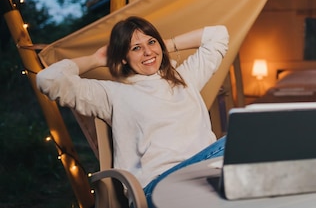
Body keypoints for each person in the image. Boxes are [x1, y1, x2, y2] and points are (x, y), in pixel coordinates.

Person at [36, 16, 229, 207]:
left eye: (151, 42)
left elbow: (218, 35)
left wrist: (161, 46)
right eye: (136, 48)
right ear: (123, 58)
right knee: (236, 142)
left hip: (206, 179)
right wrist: (95, 59)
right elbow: (49, 80)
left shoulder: (185, 78)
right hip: (159, 186)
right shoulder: (113, 94)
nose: (147, 52)